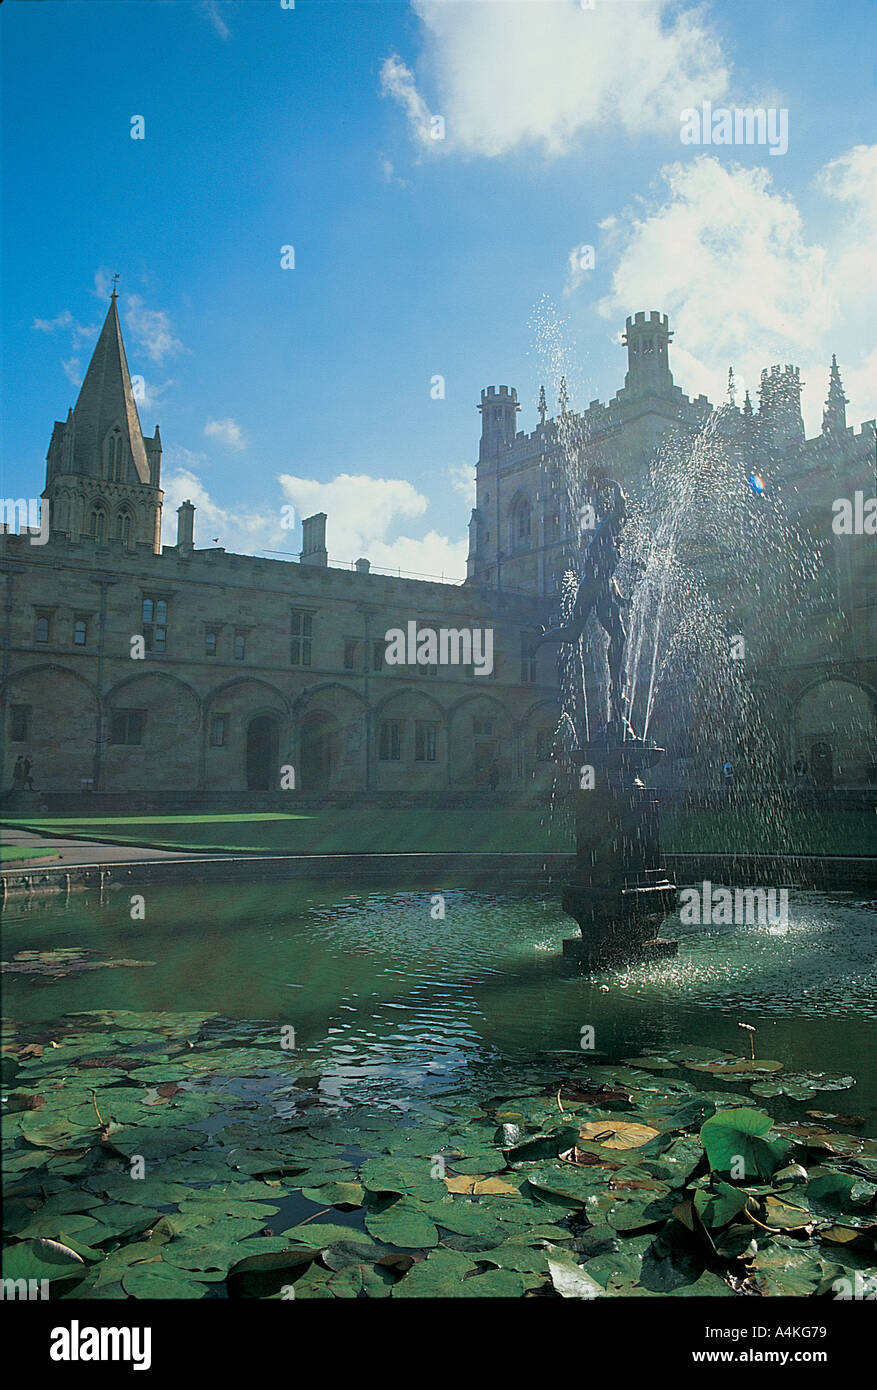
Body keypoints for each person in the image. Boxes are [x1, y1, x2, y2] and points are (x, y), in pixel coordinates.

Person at [530, 477, 634, 732]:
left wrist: (621, 598)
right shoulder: (605, 529)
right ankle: (541, 638)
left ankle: (617, 682)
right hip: (590, 589)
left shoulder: (612, 538)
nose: (624, 522)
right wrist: (615, 485)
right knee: (573, 633)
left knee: (619, 637)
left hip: (603, 590)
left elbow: (610, 578)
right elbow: (620, 507)